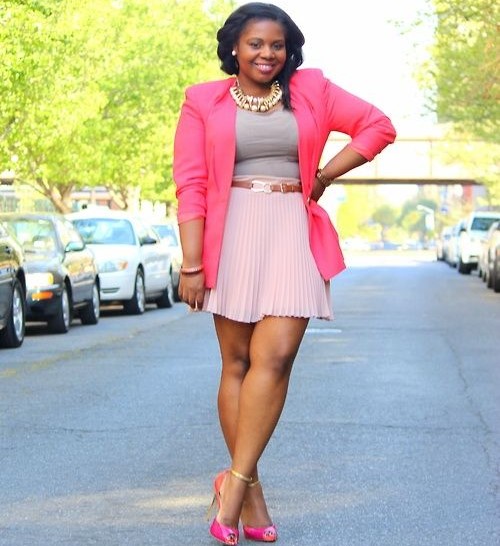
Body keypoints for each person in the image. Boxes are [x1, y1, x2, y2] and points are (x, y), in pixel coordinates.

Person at [173, 2, 396, 544]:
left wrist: (324, 175)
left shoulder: (313, 89)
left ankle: (232, 487)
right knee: (236, 362)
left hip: (293, 232)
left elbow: (378, 126)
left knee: (274, 358)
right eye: (255, 44)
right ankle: (251, 494)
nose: (267, 53)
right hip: (231, 236)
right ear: (234, 48)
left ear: (289, 50)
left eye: (277, 45)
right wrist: (192, 263)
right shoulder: (202, 100)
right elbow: (191, 184)